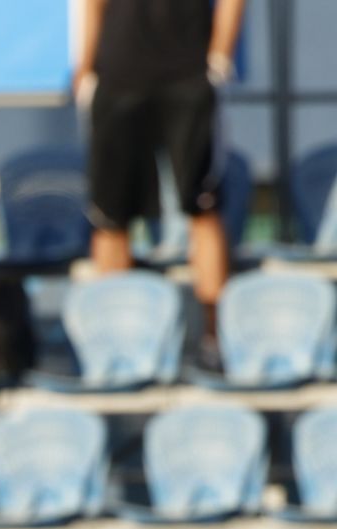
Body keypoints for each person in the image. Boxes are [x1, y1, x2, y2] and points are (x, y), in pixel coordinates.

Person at [77, 0, 245, 357]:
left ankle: (215, 340)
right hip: (118, 72)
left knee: (202, 205)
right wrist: (87, 65)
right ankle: (117, 345)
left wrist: (220, 55)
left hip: (188, 71)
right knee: (111, 215)